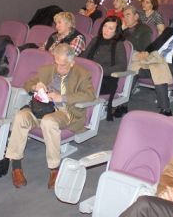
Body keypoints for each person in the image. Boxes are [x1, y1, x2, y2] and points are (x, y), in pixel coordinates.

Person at [7, 44, 95, 189]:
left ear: (72, 63)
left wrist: (63, 98)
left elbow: (89, 95)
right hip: (42, 108)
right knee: (21, 116)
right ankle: (16, 167)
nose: (58, 68)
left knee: (49, 122)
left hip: (65, 111)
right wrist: (36, 87)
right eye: (56, 63)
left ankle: (54, 169)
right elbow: (28, 84)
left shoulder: (82, 74)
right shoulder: (47, 70)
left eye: (63, 65)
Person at [129, 13, 173, 116]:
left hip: (170, 66)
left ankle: (166, 109)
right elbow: (154, 45)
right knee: (134, 69)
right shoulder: (169, 31)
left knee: (159, 73)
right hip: (154, 60)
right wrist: (147, 52)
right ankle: (122, 102)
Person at [81, 16, 127, 121]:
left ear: (116, 31)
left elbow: (122, 66)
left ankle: (80, 116)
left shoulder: (118, 44)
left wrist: (99, 71)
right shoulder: (95, 40)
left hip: (105, 80)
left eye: (110, 28)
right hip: (88, 76)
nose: (106, 30)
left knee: (76, 86)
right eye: (105, 26)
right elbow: (84, 57)